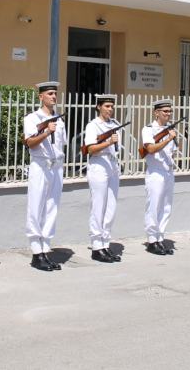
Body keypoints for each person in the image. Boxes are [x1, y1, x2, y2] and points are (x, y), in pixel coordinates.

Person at [23, 81, 67, 272]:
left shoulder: (59, 120)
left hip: (56, 166)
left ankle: (46, 248)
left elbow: (61, 145)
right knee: (36, 206)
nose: (54, 97)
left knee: (52, 207)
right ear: (40, 96)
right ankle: (36, 251)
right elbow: (30, 142)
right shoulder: (32, 118)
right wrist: (46, 131)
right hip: (40, 165)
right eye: (49, 93)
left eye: (55, 93)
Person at [84, 94, 123, 263]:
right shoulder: (93, 126)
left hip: (112, 165)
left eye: (112, 106)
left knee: (111, 206)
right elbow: (90, 149)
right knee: (98, 206)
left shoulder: (114, 125)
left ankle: (105, 243)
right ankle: (96, 246)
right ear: (98, 107)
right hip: (99, 165)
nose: (110, 109)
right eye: (107, 106)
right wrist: (108, 142)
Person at [141, 99, 179, 255]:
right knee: (154, 206)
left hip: (168, 171)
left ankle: (160, 237)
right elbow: (150, 148)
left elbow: (174, 150)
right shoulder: (148, 129)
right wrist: (168, 138)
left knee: (166, 206)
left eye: (170, 111)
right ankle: (152, 240)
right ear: (156, 113)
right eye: (165, 111)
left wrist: (171, 138)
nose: (168, 114)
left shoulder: (170, 129)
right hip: (156, 171)